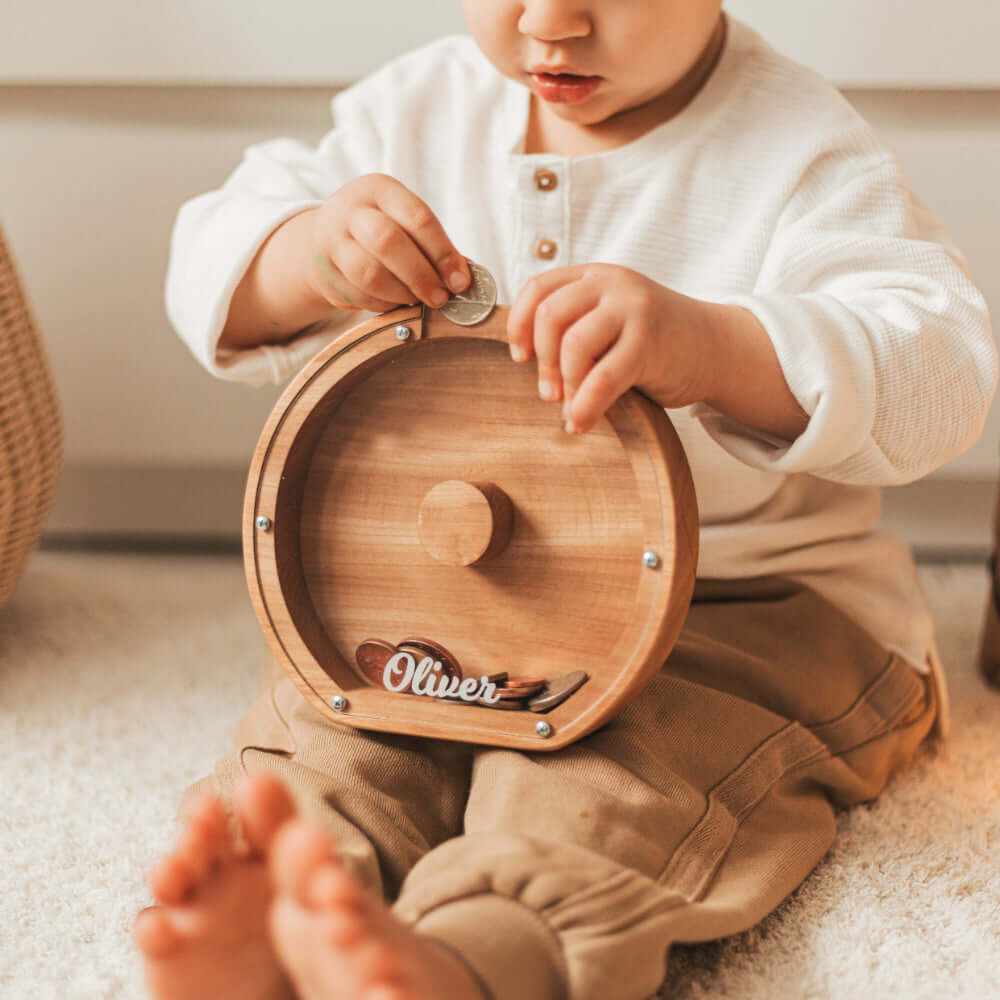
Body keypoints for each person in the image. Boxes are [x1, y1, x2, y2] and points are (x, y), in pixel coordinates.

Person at [137, 1, 997, 998]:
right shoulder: (414, 112)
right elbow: (209, 260)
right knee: (335, 726)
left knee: (608, 786)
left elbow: (941, 373)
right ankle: (282, 907)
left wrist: (717, 345)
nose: (550, 21)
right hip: (436, 604)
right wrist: (310, 256)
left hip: (742, 609)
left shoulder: (797, 151)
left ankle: (472, 955)